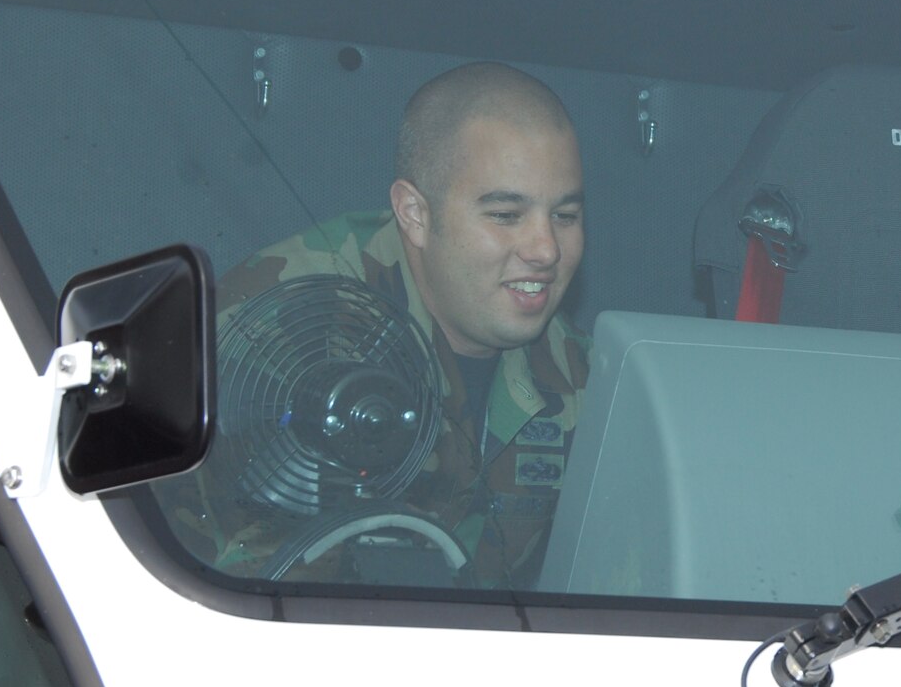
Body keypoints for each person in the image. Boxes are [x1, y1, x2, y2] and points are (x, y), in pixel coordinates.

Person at [168, 61, 588, 585]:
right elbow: (220, 577)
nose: (545, 249)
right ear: (415, 213)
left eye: (566, 216)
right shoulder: (279, 333)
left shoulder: (577, 372)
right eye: (505, 216)